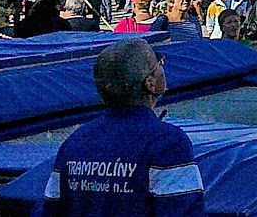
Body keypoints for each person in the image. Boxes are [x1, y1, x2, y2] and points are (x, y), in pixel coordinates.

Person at [37, 39, 205, 217]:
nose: (162, 66)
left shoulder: (76, 141)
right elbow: (183, 210)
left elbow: (49, 209)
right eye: (158, 63)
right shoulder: (168, 142)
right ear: (150, 83)